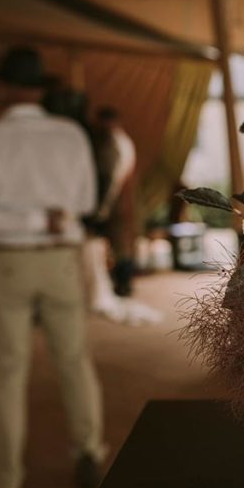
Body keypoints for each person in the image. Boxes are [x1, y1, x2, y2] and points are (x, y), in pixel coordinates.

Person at [0, 47, 105, 488]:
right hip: (62, 258)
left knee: (7, 372)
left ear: (2, 88)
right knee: (74, 359)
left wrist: (27, 219)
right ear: (41, 89)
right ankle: (88, 451)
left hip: (8, 263)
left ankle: (5, 482)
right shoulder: (71, 135)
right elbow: (83, 203)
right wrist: (48, 217)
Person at [85, 108, 161, 326]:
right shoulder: (119, 141)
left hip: (119, 202)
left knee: (121, 244)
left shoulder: (114, 144)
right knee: (121, 244)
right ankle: (123, 282)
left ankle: (124, 283)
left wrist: (103, 207)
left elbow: (113, 177)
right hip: (121, 201)